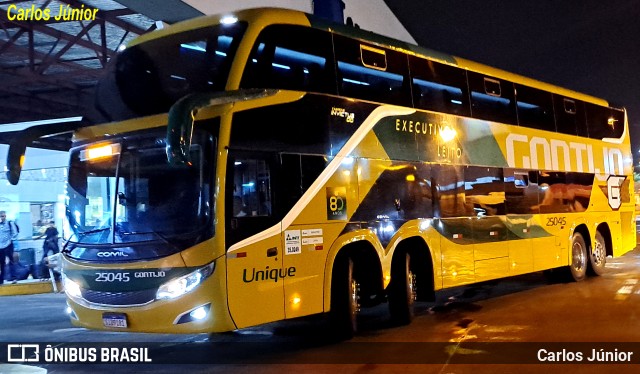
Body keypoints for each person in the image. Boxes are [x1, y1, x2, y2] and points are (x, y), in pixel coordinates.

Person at [0, 211, 19, 285]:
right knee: (2, 263)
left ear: (5, 216)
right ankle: (1, 279)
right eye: (1, 216)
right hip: (0, 246)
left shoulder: (10, 223)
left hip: (8, 245)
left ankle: (14, 278)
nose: (2, 218)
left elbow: (15, 233)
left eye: (3, 216)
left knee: (11, 261)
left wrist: (10, 240)